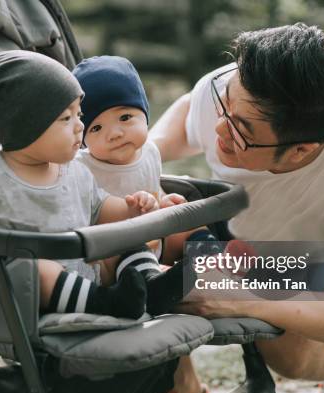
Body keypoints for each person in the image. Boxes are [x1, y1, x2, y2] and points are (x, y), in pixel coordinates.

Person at [150, 23, 324, 393]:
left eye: (240, 130)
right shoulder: (234, 92)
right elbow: (192, 105)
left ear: (300, 150)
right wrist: (145, 157)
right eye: (224, 107)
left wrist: (244, 300)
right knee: (146, 234)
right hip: (243, 234)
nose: (219, 128)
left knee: (288, 355)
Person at [0, 50, 191, 320]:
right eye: (67, 118)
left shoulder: (75, 172)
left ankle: (152, 288)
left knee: (128, 242)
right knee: (35, 269)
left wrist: (133, 210)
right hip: (28, 291)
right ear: (26, 126)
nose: (80, 126)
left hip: (84, 271)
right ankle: (106, 304)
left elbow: (101, 208)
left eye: (79, 114)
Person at [73, 55, 221, 270]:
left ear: (145, 115)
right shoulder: (81, 168)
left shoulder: (149, 152)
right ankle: (160, 278)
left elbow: (153, 190)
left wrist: (164, 202)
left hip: (155, 238)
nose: (114, 133)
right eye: (96, 128)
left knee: (189, 224)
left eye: (125, 118)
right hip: (114, 255)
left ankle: (216, 263)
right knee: (114, 254)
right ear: (82, 139)